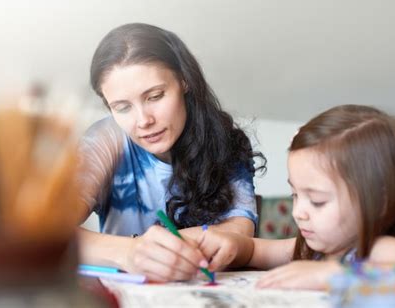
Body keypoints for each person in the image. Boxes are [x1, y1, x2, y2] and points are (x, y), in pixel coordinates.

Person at [75, 23, 266, 282]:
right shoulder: (104, 140)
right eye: (122, 108)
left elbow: (239, 233)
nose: (143, 120)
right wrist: (129, 251)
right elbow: (43, 234)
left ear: (184, 80)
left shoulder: (225, 142)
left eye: (155, 96)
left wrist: (151, 248)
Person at [198, 104, 395, 288]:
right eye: (295, 194)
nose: (298, 212)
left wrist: (330, 275)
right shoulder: (312, 248)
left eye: (317, 201)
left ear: (378, 201)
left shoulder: (378, 250)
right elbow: (253, 251)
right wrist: (231, 244)